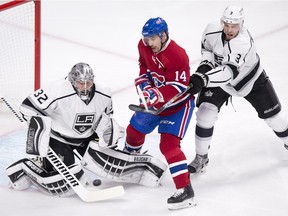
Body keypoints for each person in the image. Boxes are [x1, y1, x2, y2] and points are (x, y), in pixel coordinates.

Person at [187, 5, 288, 174]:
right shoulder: (211, 30)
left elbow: (228, 72)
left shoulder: (242, 42)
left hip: (251, 81)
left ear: (241, 24)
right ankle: (201, 157)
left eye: (233, 26)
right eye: (226, 24)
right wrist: (203, 70)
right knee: (205, 113)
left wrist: (204, 79)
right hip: (221, 81)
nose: (229, 29)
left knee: (274, 119)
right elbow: (207, 52)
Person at [6, 62, 124, 196]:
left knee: (107, 165)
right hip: (59, 138)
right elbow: (27, 108)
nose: (85, 87)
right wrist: (39, 127)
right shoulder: (56, 89)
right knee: (64, 176)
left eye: (89, 82)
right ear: (73, 81)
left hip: (87, 137)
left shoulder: (104, 92)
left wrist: (109, 134)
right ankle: (29, 167)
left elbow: (107, 116)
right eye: (81, 83)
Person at [123, 17, 196, 210]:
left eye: (153, 38)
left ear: (163, 35)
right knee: (133, 131)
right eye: (146, 38)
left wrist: (157, 94)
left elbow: (179, 87)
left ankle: (185, 191)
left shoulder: (178, 55)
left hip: (178, 107)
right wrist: (144, 84)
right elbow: (143, 65)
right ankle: (130, 160)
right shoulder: (144, 45)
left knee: (169, 145)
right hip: (156, 104)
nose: (149, 43)